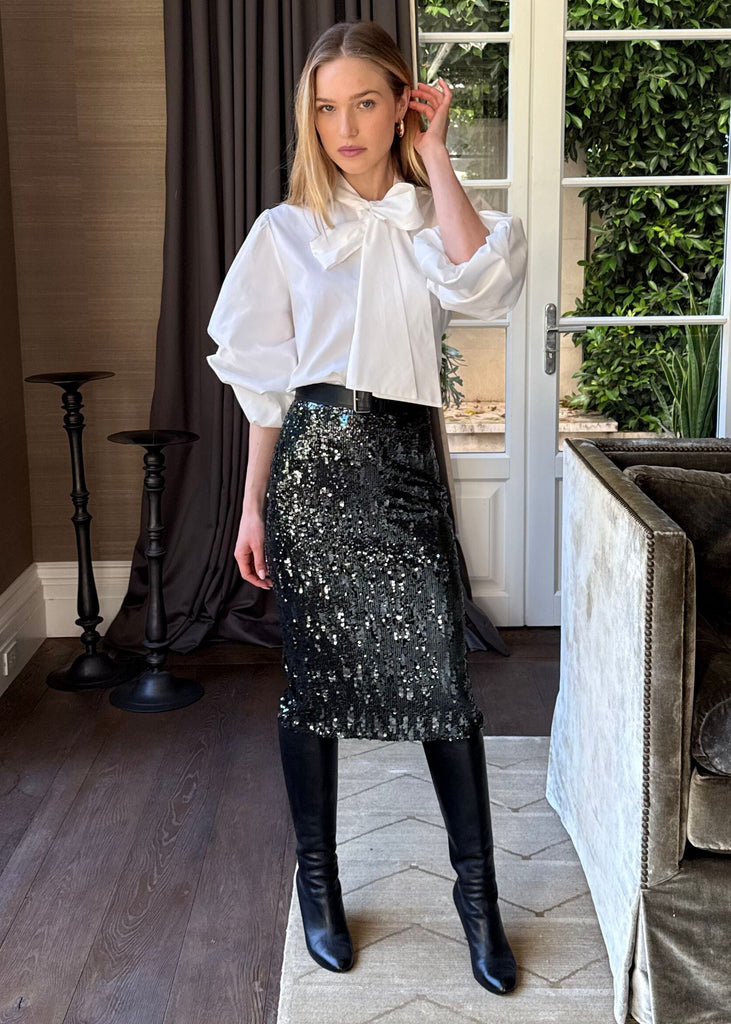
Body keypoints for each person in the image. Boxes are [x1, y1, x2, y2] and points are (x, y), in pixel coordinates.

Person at [206, 19, 528, 997]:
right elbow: (264, 384)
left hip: (402, 468)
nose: (343, 126)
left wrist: (436, 157)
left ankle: (477, 902)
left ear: (401, 105)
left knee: (440, 687)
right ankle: (320, 888)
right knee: (309, 688)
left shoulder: (431, 220)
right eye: (324, 106)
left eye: (364, 103)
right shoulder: (284, 230)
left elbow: (484, 283)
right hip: (308, 466)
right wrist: (251, 506)